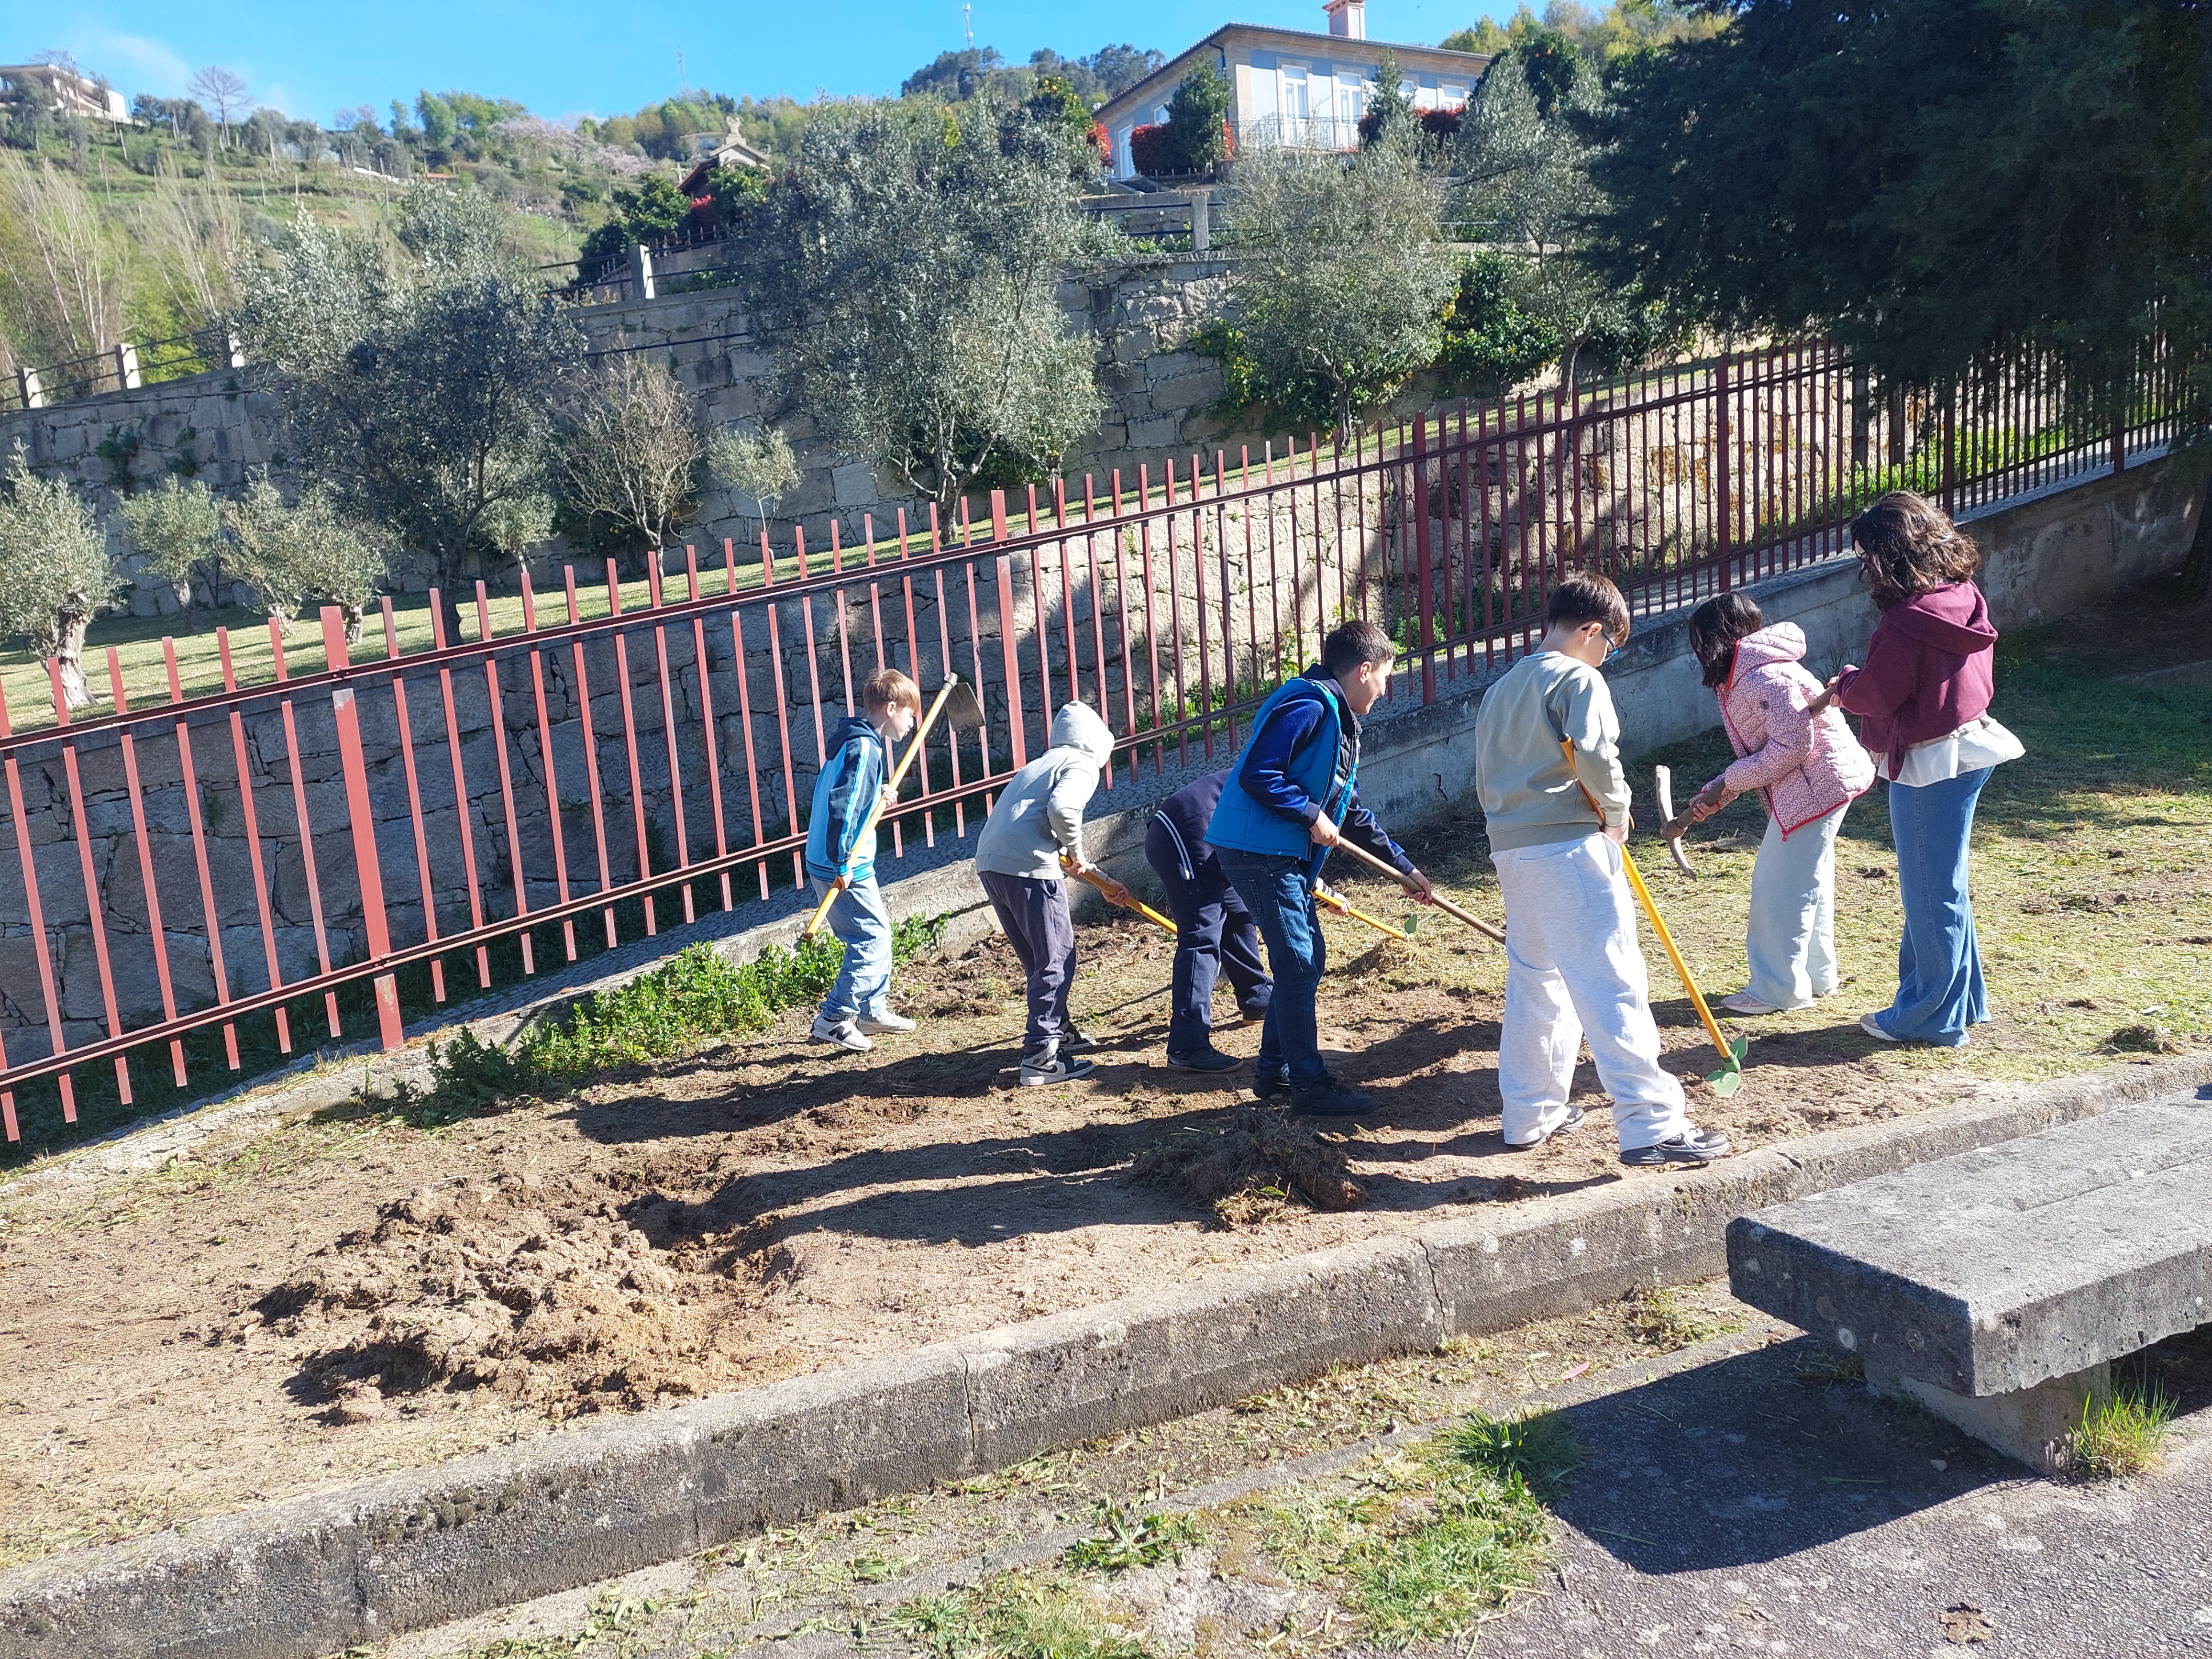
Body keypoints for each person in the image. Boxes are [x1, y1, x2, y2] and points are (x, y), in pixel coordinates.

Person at [1473, 572, 1731, 1165]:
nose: (1608, 659)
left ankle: (1530, 1114)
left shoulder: (1501, 687)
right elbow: (1596, 753)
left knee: (1538, 982)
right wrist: (1617, 816)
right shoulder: (1577, 677)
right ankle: (1652, 1126)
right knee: (1612, 981)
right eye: (1610, 646)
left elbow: (1484, 775)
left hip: (1511, 849)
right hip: (1569, 847)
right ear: (1591, 630)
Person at [1206, 619, 1436, 1117]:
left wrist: (1402, 868)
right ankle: (1308, 1085)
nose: (1385, 689)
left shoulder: (1334, 716)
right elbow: (1257, 773)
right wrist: (1309, 815)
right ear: (1364, 669)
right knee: (1299, 963)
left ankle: (1274, 1071)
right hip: (1260, 853)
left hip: (1274, 854)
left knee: (1304, 962)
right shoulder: (1308, 705)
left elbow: (1347, 810)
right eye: (1385, 678)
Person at [1829, 491, 2022, 1047]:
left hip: (1929, 761)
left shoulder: (1905, 622)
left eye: (1865, 557)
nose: (1862, 568)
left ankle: (1928, 1018)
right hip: (1968, 748)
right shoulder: (1962, 597)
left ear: (1890, 555)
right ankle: (1960, 1001)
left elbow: (1876, 696)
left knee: (1929, 892)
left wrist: (1845, 685)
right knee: (1944, 885)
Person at [1682, 594, 1875, 1015]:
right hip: (1813, 786)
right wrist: (1721, 790)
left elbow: (1792, 748)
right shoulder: (1744, 676)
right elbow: (1767, 751)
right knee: (1808, 882)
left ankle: (1778, 989)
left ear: (1718, 637)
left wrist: (1729, 782)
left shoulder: (1765, 678)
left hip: (1816, 788)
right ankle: (1816, 975)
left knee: (1777, 888)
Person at [973, 701, 1122, 1085]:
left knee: (1038, 958)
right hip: (1028, 868)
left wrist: (1087, 869)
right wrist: (1078, 853)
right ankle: (1041, 1055)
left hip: (992, 863)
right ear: (1097, 742)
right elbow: (1063, 809)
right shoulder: (1081, 763)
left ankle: (1060, 1031)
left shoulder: (1037, 766)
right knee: (1057, 958)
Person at [805, 667, 923, 1053]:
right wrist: (842, 863)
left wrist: (879, 796)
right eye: (909, 714)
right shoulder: (866, 748)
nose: (912, 723)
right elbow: (844, 804)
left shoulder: (854, 740)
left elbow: (856, 795)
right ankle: (835, 1017)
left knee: (878, 931)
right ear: (891, 708)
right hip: (843, 861)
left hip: (837, 857)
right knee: (870, 938)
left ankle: (872, 1010)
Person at [1144, 769, 1273, 1072]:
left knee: (1238, 915)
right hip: (1185, 835)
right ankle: (1187, 1047)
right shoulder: (1289, 776)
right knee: (1201, 936)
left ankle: (1256, 995)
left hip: (1215, 835)